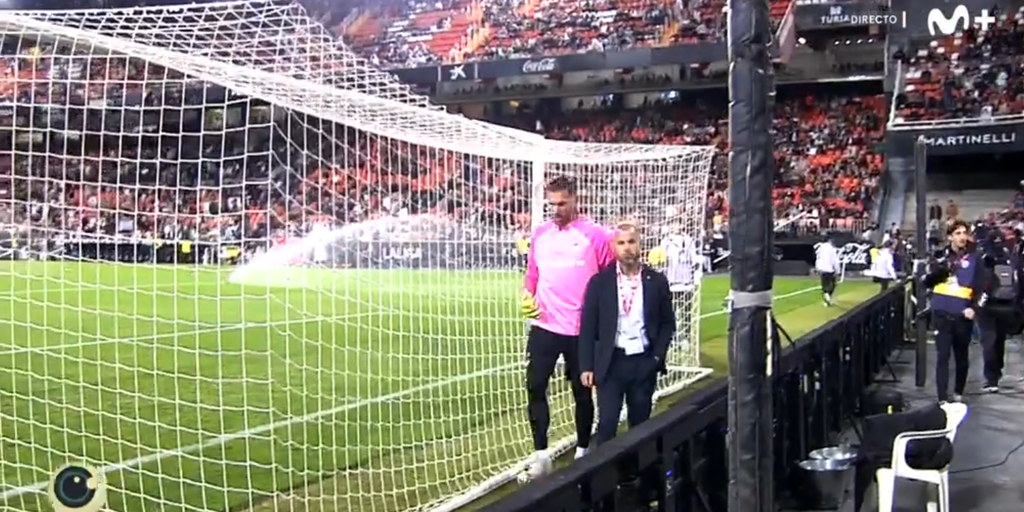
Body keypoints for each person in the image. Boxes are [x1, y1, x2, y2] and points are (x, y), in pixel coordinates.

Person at [520, 175, 614, 478]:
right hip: (544, 325)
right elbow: (532, 273)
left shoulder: (597, 235)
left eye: (562, 203)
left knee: (582, 392)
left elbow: (608, 279)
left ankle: (583, 449)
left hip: (580, 330)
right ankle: (541, 454)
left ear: (575, 199)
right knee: (534, 386)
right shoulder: (540, 234)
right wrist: (526, 294)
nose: (557, 209)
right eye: (553, 204)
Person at [578, 221, 676, 444]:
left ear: (640, 244)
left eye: (631, 241)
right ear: (614, 247)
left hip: (643, 361)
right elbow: (587, 326)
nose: (627, 247)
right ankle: (603, 476)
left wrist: (657, 357)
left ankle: (635, 475)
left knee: (640, 426)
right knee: (607, 425)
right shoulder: (599, 282)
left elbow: (667, 324)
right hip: (611, 363)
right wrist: (586, 365)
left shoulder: (656, 281)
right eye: (621, 243)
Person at [922, 220, 984, 403]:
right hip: (941, 314)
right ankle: (942, 398)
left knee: (961, 357)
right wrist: (942, 271)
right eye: (957, 233)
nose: (962, 237)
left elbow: (985, 288)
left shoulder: (974, 259)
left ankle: (958, 393)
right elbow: (926, 281)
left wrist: (974, 308)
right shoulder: (939, 256)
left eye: (964, 232)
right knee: (942, 357)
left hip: (963, 316)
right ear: (950, 237)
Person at [977, 231, 1021, 392]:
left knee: (989, 342)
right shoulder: (1011, 258)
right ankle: (996, 373)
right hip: (1006, 306)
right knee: (998, 342)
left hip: (987, 306)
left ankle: (991, 379)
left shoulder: (983, 257)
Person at [814, 235, 840, 306]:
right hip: (829, 269)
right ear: (830, 240)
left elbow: (818, 258)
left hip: (821, 269)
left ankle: (826, 296)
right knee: (833, 284)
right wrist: (838, 271)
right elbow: (834, 260)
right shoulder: (832, 249)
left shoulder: (820, 248)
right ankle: (828, 295)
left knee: (824, 284)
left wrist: (817, 267)